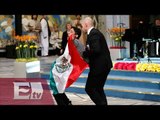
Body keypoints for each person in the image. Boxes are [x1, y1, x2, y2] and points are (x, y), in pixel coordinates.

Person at [81, 16, 113, 105]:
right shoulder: (93, 33)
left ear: (86, 25)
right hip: (102, 66)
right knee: (98, 89)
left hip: (99, 67)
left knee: (89, 88)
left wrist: (84, 54)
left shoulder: (94, 34)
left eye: (82, 25)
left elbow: (96, 49)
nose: (82, 27)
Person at [51, 26, 85, 106]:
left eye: (71, 31)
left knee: (56, 88)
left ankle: (65, 102)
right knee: (58, 88)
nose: (68, 32)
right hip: (66, 67)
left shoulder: (75, 41)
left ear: (76, 35)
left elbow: (73, 43)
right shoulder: (73, 42)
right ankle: (67, 102)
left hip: (68, 68)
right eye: (69, 31)